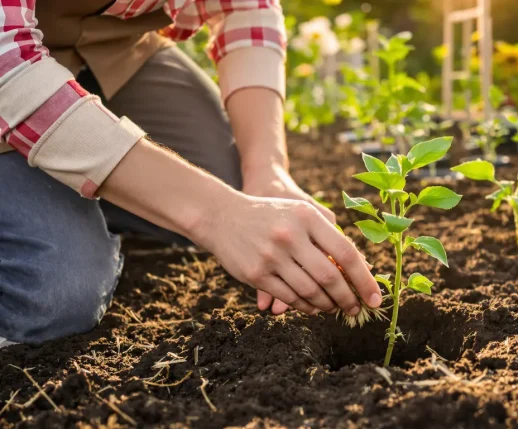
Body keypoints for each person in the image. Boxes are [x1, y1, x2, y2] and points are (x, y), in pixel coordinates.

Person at [0, 0, 382, 347]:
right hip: (10, 65)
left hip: (106, 48)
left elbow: (246, 8)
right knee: (56, 295)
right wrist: (216, 216)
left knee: (238, 190)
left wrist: (268, 171)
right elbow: (8, 67)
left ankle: (85, 183)